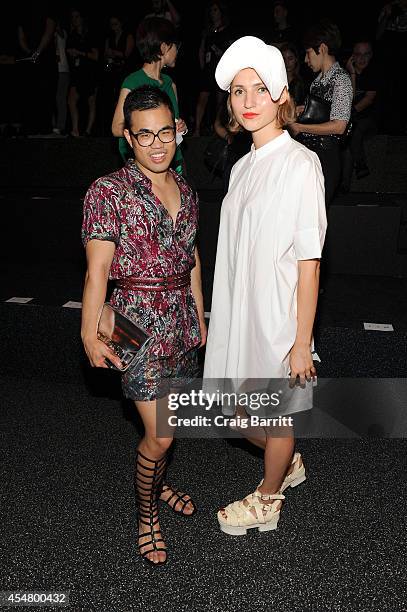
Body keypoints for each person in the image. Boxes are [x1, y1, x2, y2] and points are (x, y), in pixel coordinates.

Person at [203, 36, 327, 535]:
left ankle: (268, 497)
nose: (248, 102)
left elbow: (309, 262)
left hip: (277, 316)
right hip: (239, 311)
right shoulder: (240, 168)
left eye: (258, 89)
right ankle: (287, 459)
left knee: (271, 418)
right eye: (238, 91)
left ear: (279, 94)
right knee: (231, 413)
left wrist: (301, 343)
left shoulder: (301, 165)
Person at [82, 85, 206, 565]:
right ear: (129, 139)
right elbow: (95, 271)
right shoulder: (108, 191)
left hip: (180, 323)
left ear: (178, 131)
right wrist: (88, 332)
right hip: (132, 323)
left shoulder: (189, 191)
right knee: (161, 435)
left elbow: (192, 257)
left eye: (165, 132)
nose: (157, 144)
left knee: (169, 425)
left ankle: (162, 480)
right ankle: (146, 515)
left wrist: (200, 318)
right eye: (144, 136)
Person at [289, 19, 353, 206]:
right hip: (310, 155)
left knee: (314, 221)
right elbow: (321, 113)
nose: (306, 60)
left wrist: (299, 126)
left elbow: (340, 126)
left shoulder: (341, 79)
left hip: (326, 157)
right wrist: (303, 111)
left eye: (308, 53)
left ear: (322, 48)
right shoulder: (317, 81)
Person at [112, 17, 187, 173]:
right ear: (164, 47)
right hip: (144, 165)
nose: (177, 51)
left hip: (173, 162)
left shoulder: (170, 84)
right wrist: (148, 132)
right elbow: (116, 127)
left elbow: (173, 121)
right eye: (176, 46)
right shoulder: (133, 82)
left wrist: (180, 126)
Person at [340, 40, 380, 190]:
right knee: (350, 142)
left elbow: (368, 100)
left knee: (355, 129)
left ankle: (361, 164)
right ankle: (345, 185)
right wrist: (352, 74)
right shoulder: (345, 73)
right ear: (352, 56)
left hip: (368, 120)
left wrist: (349, 114)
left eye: (366, 54)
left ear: (371, 56)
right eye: (358, 54)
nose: (362, 59)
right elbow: (347, 99)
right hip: (351, 121)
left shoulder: (374, 73)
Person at [193, 1, 235, 136]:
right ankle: (197, 129)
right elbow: (201, 49)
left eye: (215, 10)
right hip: (208, 69)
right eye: (211, 10)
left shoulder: (228, 31)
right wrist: (202, 66)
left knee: (220, 101)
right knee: (202, 98)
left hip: (221, 69)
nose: (213, 13)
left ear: (221, 12)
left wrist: (220, 53)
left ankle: (217, 129)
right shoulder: (207, 31)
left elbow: (231, 52)